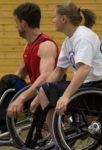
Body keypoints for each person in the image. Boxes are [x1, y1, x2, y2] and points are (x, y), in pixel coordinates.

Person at [30, 1, 102, 144]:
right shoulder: (69, 40)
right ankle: (58, 137)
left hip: (96, 87)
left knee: (47, 90)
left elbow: (84, 68)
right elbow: (58, 71)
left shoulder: (83, 37)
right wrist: (38, 96)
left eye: (54, 16)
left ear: (63, 19)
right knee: (44, 90)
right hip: (87, 85)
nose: (52, 20)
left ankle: (59, 140)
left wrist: (65, 96)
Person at [0, 2, 60, 135]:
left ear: (23, 23)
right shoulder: (28, 46)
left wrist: (21, 98)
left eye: (16, 22)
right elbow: (18, 77)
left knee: (8, 79)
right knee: (9, 80)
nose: (15, 26)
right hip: (35, 90)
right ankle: (4, 129)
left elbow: (46, 76)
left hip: (48, 91)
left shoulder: (46, 45)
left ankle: (4, 130)